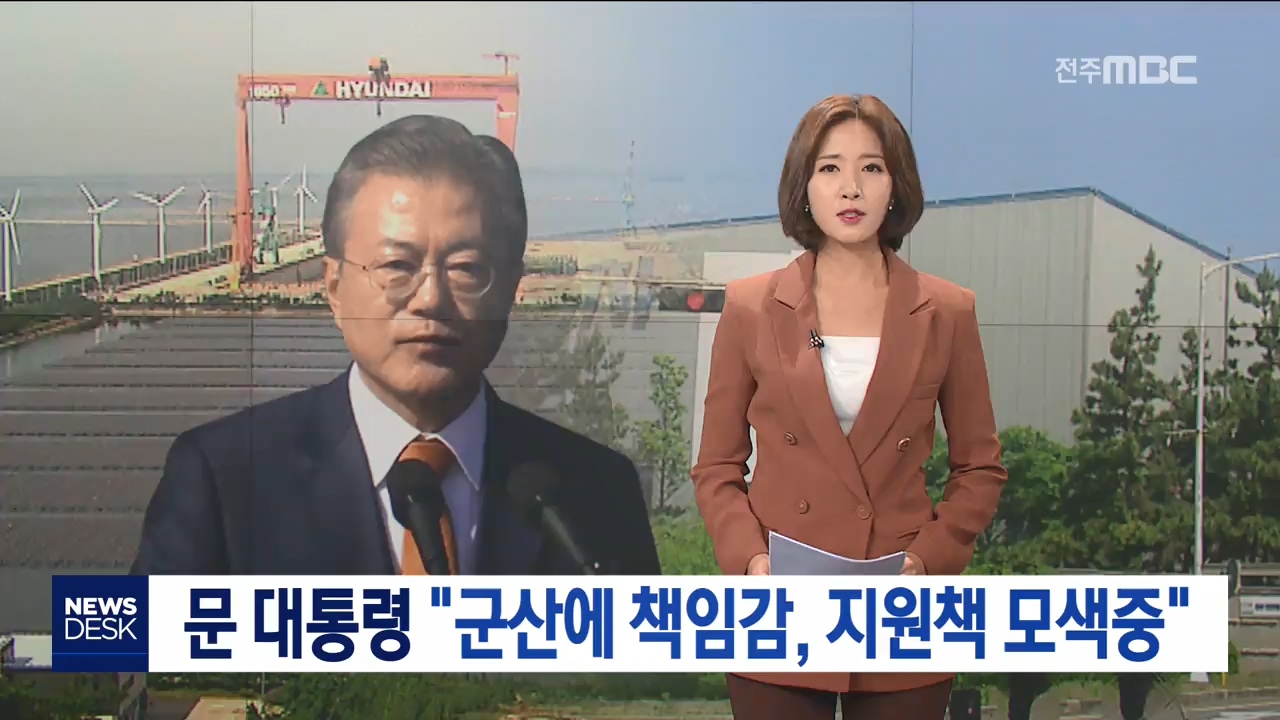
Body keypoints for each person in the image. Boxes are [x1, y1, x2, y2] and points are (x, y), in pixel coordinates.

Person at [132, 114, 660, 577]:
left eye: (466, 268)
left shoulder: (595, 492)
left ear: (510, 288)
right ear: (333, 287)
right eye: (396, 266)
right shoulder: (225, 479)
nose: (430, 299)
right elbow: (138, 656)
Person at [691, 94, 1008, 719]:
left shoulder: (947, 311)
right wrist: (751, 561)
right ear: (804, 186)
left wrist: (927, 561)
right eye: (830, 168)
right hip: (777, 605)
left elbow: (979, 468)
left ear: (897, 185)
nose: (851, 188)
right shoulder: (751, 307)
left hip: (901, 605)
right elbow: (717, 467)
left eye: (872, 167)